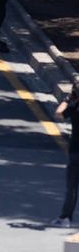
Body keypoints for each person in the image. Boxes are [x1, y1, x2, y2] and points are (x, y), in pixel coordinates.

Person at [51, 83, 79, 226]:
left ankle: (65, 217)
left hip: (76, 152)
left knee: (72, 187)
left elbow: (58, 114)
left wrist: (67, 100)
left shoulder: (74, 108)